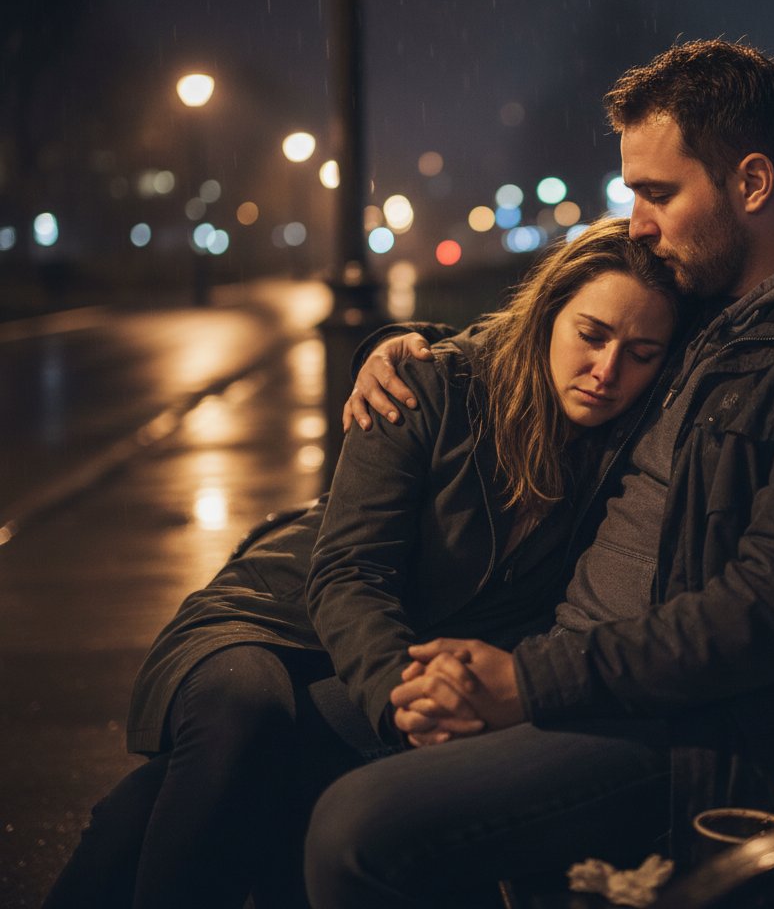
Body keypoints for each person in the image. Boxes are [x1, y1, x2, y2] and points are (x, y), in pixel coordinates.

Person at [303, 39, 774, 907]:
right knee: (271, 717)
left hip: (685, 731)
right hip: (570, 673)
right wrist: (399, 353)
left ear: (752, 185)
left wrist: (528, 682)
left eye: (657, 192)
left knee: (359, 831)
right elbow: (568, 321)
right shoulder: (709, 312)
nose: (637, 222)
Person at [43, 218, 683, 909]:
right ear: (550, 312)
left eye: (642, 352)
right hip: (279, 616)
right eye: (592, 335)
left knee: (191, 788)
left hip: (391, 647)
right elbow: (348, 573)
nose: (608, 370)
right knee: (243, 707)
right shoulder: (434, 386)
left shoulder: (626, 448)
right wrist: (402, 702)